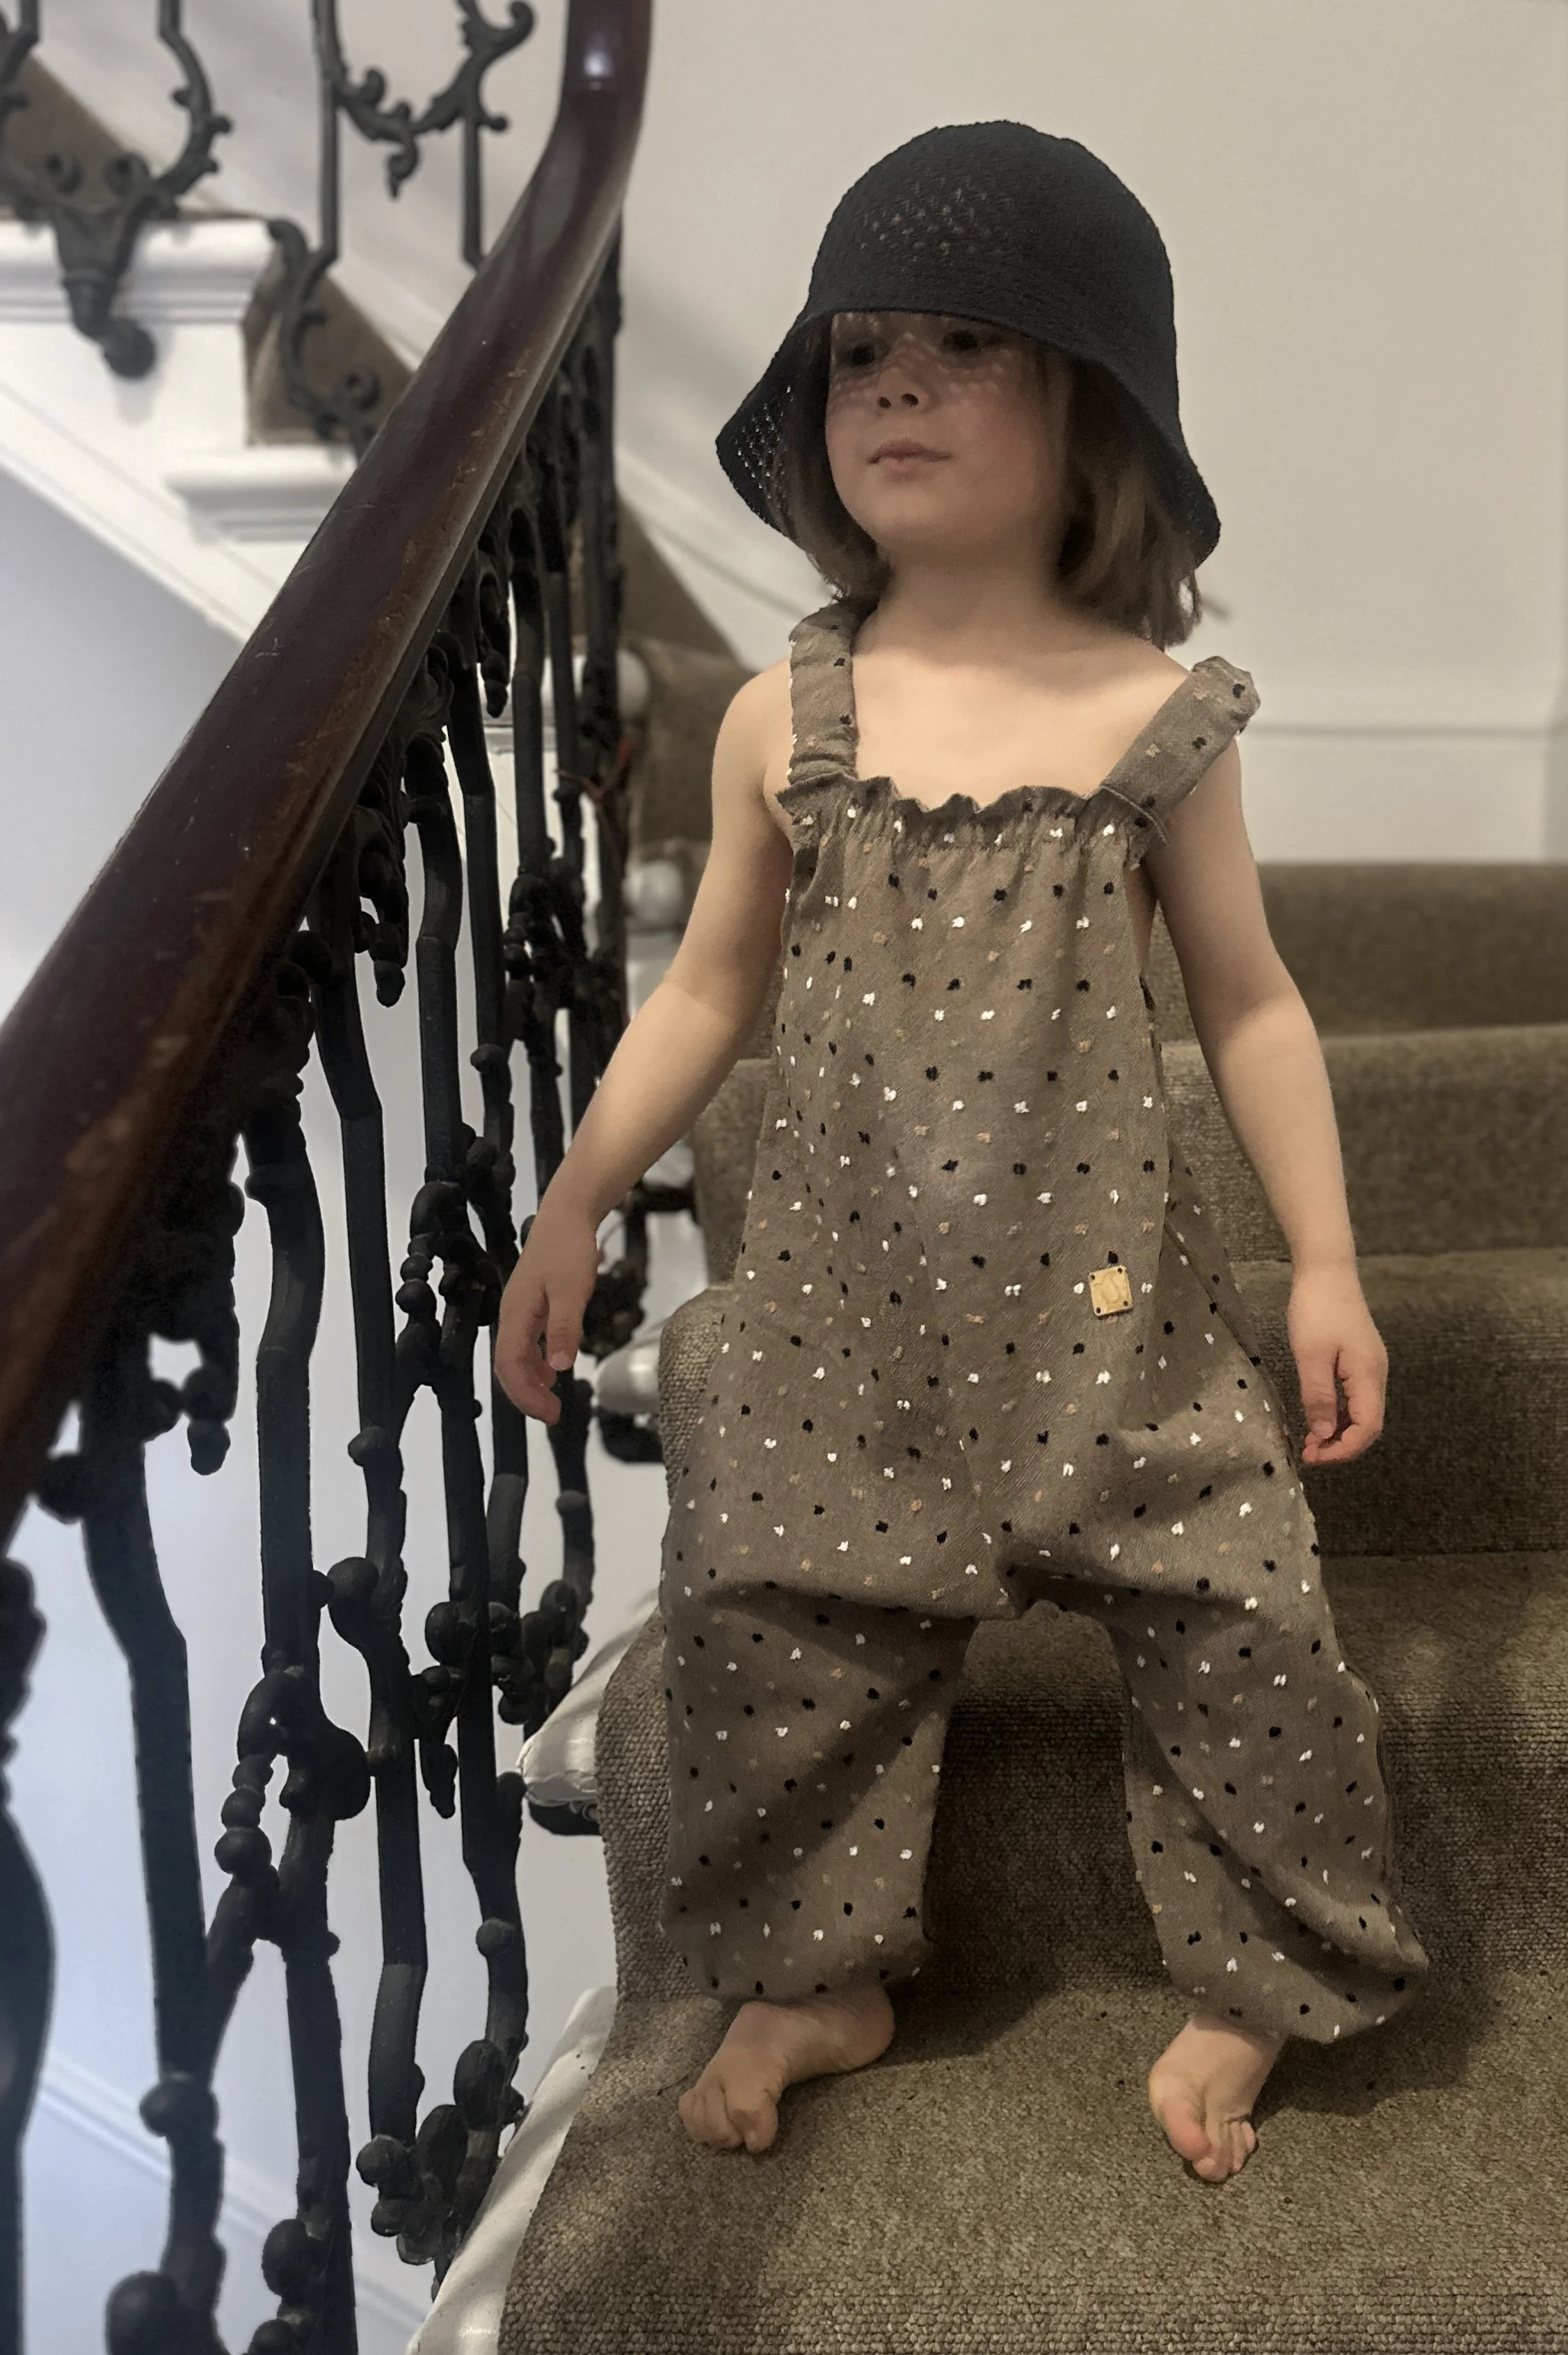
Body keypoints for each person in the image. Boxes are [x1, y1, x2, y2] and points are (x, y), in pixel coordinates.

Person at [494, 120, 1430, 2187]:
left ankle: (1253, 1980)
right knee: (759, 1627)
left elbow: (1253, 1002)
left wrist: (1325, 1263)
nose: (896, 386)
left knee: (1249, 1619)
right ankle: (818, 1971)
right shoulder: (779, 717)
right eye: (858, 352)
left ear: (1086, 407)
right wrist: (571, 1200)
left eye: (964, 346)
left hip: (1106, 1321)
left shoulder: (1154, 717)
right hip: (833, 1328)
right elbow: (706, 997)